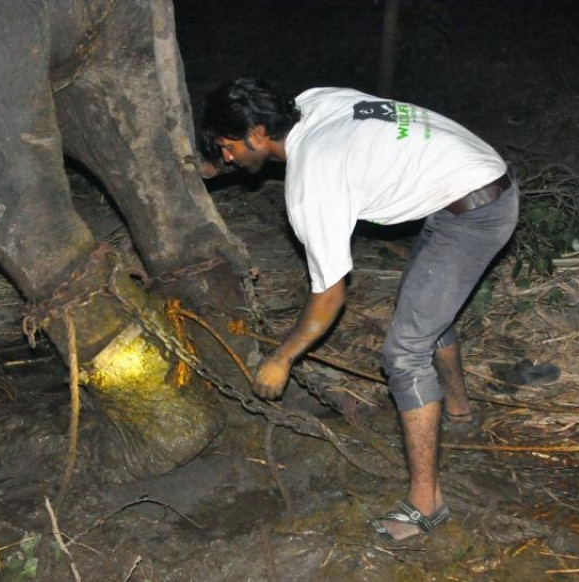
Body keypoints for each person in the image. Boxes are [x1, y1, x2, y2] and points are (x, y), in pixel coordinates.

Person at [199, 78, 519, 541]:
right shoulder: (312, 102)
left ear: (258, 133)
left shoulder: (313, 179)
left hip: (475, 212)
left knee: (405, 354)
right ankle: (460, 411)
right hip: (473, 177)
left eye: (228, 148)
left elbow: (330, 296)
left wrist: (281, 358)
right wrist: (209, 166)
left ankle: (427, 505)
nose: (227, 158)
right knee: (425, 314)